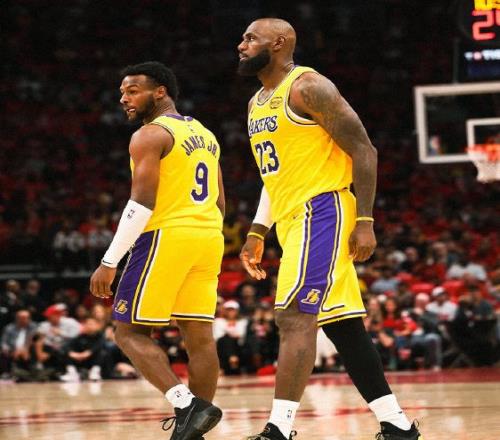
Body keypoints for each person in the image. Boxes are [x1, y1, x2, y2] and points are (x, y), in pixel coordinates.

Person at [237, 18, 422, 440]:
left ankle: (278, 429)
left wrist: (366, 220)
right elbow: (275, 176)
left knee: (293, 316)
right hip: (291, 218)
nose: (241, 45)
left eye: (250, 38)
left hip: (322, 210)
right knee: (342, 324)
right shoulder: (256, 103)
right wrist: (258, 230)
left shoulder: (309, 87)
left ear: (279, 43)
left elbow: (364, 149)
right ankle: (396, 424)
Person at [89, 61, 224, 439]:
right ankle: (193, 430)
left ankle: (186, 404)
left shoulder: (149, 134)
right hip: (209, 236)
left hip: (167, 234)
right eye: (121, 93)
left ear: (160, 91)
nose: (124, 99)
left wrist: (109, 261)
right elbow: (219, 201)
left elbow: (141, 203)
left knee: (127, 332)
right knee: (199, 337)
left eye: (133, 91)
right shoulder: (205, 133)